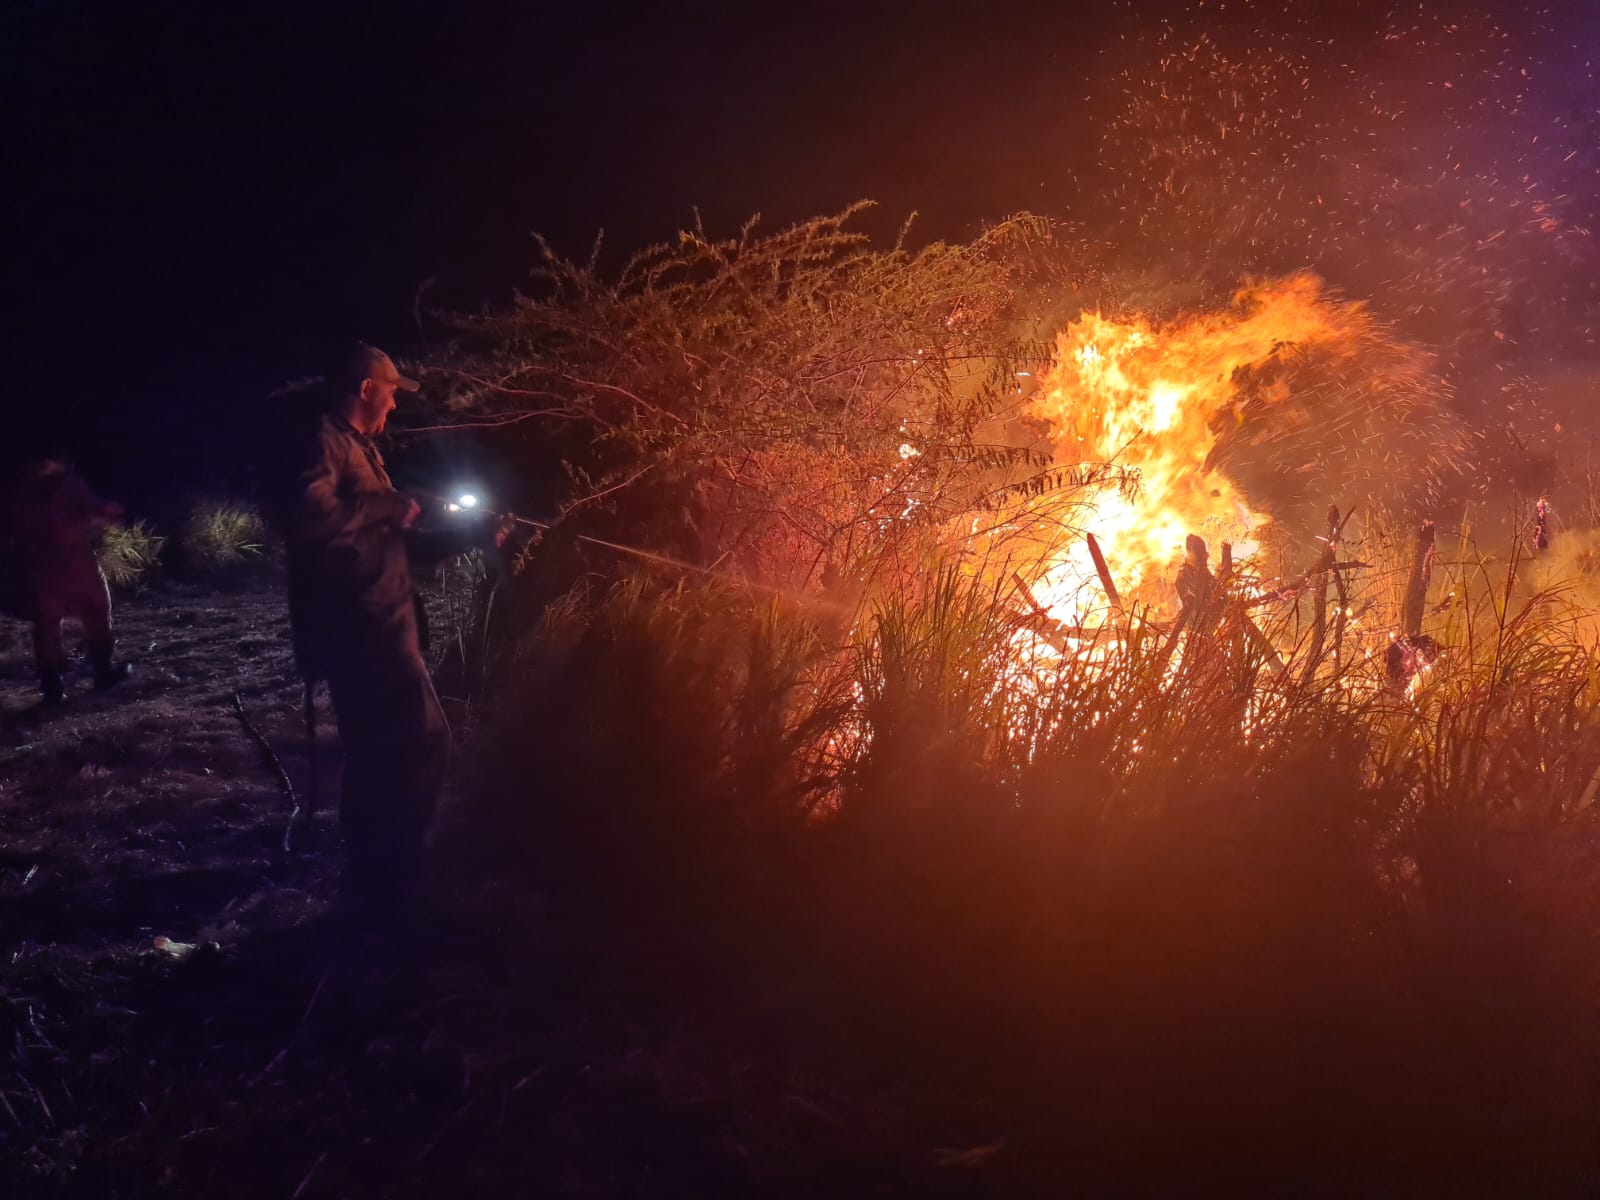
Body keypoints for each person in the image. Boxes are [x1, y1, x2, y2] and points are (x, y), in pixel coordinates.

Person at [281, 343, 504, 901]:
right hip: (358, 624)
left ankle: (372, 873)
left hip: (382, 617)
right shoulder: (321, 441)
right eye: (391, 392)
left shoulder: (358, 449)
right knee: (423, 741)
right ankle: (397, 871)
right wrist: (390, 506)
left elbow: (392, 544)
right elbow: (310, 522)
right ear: (365, 389)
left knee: (378, 749)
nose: (395, 406)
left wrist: (471, 536)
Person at [0, 461, 132, 705]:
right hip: (67, 562)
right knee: (92, 610)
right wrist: (107, 512)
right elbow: (89, 510)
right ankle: (94, 675)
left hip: (42, 565)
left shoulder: (24, 489)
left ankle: (56, 688)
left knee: (50, 622)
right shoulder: (62, 486)